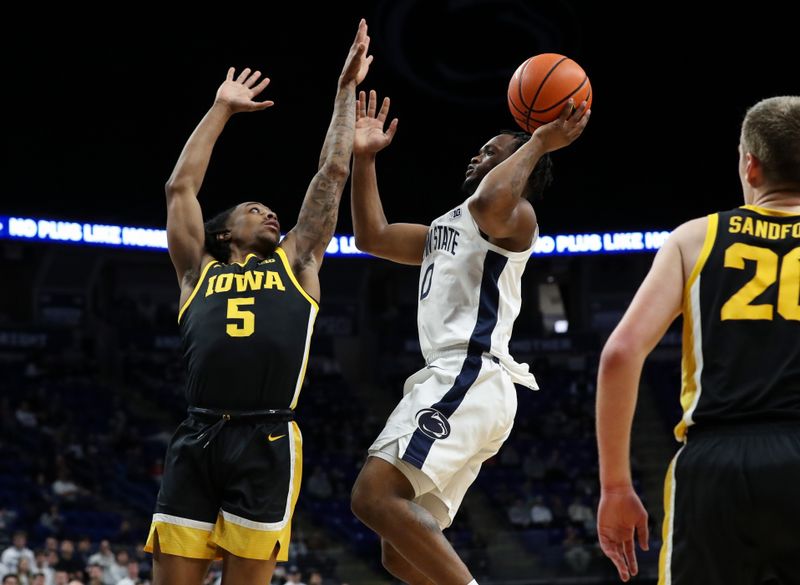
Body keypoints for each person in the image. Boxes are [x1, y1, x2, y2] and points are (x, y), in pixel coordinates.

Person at [142, 18, 372, 585]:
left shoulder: (296, 261)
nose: (270, 213)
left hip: (266, 437)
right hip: (197, 435)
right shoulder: (196, 270)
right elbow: (180, 189)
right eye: (253, 208)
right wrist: (221, 108)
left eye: (272, 210)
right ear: (222, 233)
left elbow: (333, 171)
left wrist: (343, 94)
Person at [349, 89, 590, 585]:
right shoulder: (445, 226)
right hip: (462, 381)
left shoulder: (516, 216)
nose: (476, 154)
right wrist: (364, 159)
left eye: (491, 151)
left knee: (372, 497)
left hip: (470, 372)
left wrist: (540, 141)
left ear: (520, 167)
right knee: (400, 554)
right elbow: (371, 236)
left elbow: (491, 200)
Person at [595, 96, 800, 584]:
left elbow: (621, 353)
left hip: (716, 463)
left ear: (750, 166)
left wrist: (616, 486)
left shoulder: (695, 238)